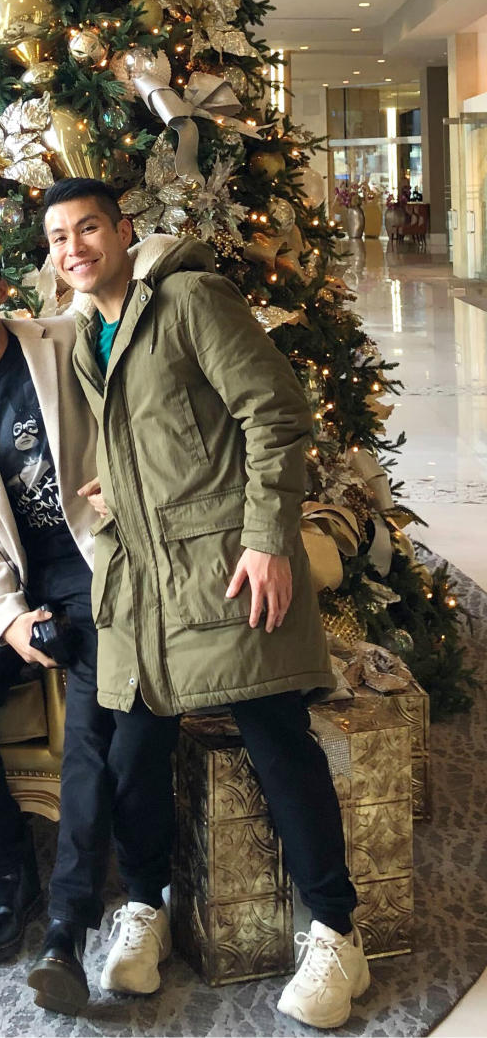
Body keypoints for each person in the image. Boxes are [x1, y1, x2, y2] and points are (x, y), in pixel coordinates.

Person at [42, 177, 369, 1031]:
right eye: (58, 236)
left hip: (228, 566)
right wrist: (119, 488)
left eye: (88, 228)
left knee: (275, 737)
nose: (74, 247)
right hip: (144, 582)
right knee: (133, 750)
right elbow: (172, 434)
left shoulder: (188, 297)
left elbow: (274, 411)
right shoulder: (89, 335)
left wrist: (268, 537)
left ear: (123, 230)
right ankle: (145, 906)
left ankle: (337, 930)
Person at [0, 234, 178, 1016]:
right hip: (23, 593)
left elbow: (154, 259)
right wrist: (5, 621)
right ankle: (10, 871)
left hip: (104, 572)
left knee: (90, 744)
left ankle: (65, 929)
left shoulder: (61, 339)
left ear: (2, 288)